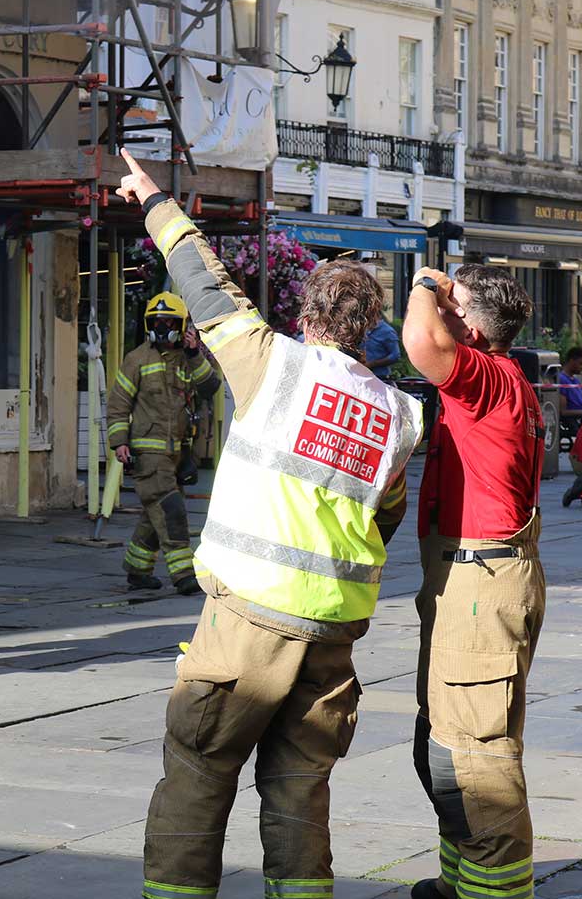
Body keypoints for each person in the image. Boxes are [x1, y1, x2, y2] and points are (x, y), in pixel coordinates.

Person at [116, 153, 423, 899]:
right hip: (333, 634)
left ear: (305, 315)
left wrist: (154, 200)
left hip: (249, 618)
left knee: (198, 773)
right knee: (299, 793)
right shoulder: (398, 413)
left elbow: (203, 281)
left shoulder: (270, 364)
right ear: (369, 328)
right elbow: (385, 512)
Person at [401, 264, 546, 899]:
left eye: (450, 305)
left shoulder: (488, 376)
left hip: (480, 582)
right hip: (473, 578)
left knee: (474, 762)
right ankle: (457, 882)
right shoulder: (495, 381)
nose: (440, 310)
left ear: (472, 324)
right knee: (446, 747)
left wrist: (419, 285)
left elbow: (421, 343)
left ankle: (496, 893)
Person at [106, 290, 222, 594]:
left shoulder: (189, 359)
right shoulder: (137, 360)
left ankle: (137, 569)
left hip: (179, 454)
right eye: (155, 322)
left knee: (154, 512)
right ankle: (183, 574)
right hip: (148, 455)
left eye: (168, 322)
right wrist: (120, 441)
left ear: (182, 325)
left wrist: (195, 352)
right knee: (170, 510)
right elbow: (118, 404)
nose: (161, 328)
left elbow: (210, 386)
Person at [556, 346, 582, 437]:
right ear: (571, 361)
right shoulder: (562, 381)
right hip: (574, 419)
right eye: (580, 363)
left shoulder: (575, 381)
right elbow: (563, 411)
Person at [364, 316, 402, 381]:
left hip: (380, 377)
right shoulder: (361, 329)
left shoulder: (387, 331)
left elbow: (395, 355)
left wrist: (373, 364)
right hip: (361, 376)